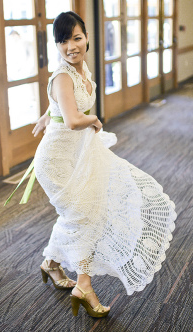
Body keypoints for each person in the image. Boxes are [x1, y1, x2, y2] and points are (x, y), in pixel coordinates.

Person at [29, 11, 176, 317]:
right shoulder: (62, 76)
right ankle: (84, 285)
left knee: (86, 210)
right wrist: (93, 118)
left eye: (76, 38)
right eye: (63, 40)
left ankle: (51, 263)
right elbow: (72, 120)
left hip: (78, 157)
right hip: (56, 162)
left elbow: (60, 104)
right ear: (56, 45)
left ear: (86, 39)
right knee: (83, 215)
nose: (71, 45)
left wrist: (47, 113)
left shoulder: (83, 72)